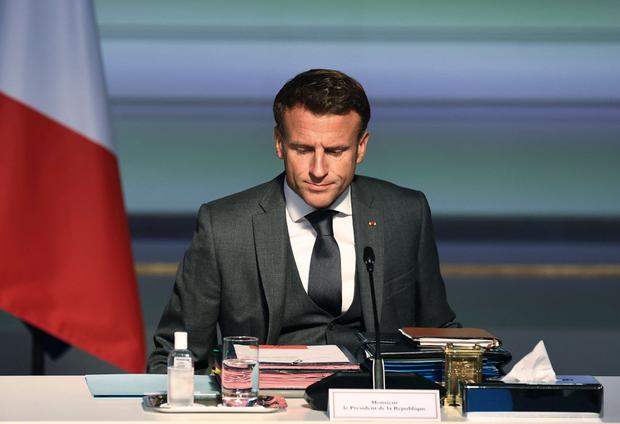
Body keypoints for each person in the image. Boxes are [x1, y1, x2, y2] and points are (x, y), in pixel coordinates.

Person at [147, 69, 456, 373]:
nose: (318, 169)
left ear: (360, 147)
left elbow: (438, 333)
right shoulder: (224, 227)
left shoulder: (406, 213)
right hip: (267, 416)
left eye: (336, 151)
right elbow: (176, 356)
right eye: (303, 149)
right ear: (279, 143)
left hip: (379, 411)